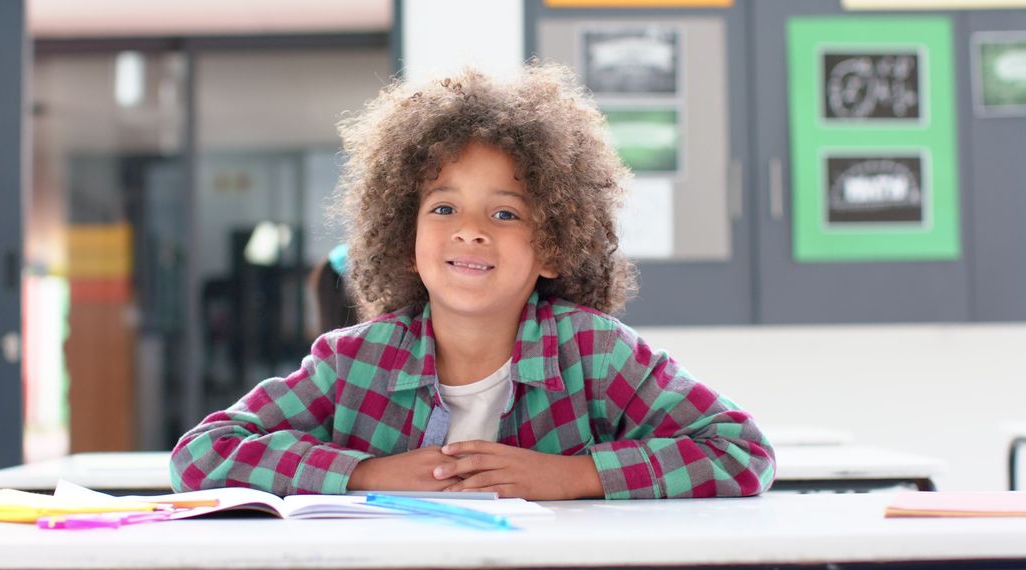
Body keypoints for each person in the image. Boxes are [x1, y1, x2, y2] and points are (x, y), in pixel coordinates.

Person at [171, 63, 775, 500]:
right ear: (404, 240)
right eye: (443, 209)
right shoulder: (354, 362)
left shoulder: (595, 351)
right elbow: (201, 456)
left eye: (506, 213)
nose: (471, 232)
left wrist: (573, 476)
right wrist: (365, 473)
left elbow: (742, 452)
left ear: (554, 247)